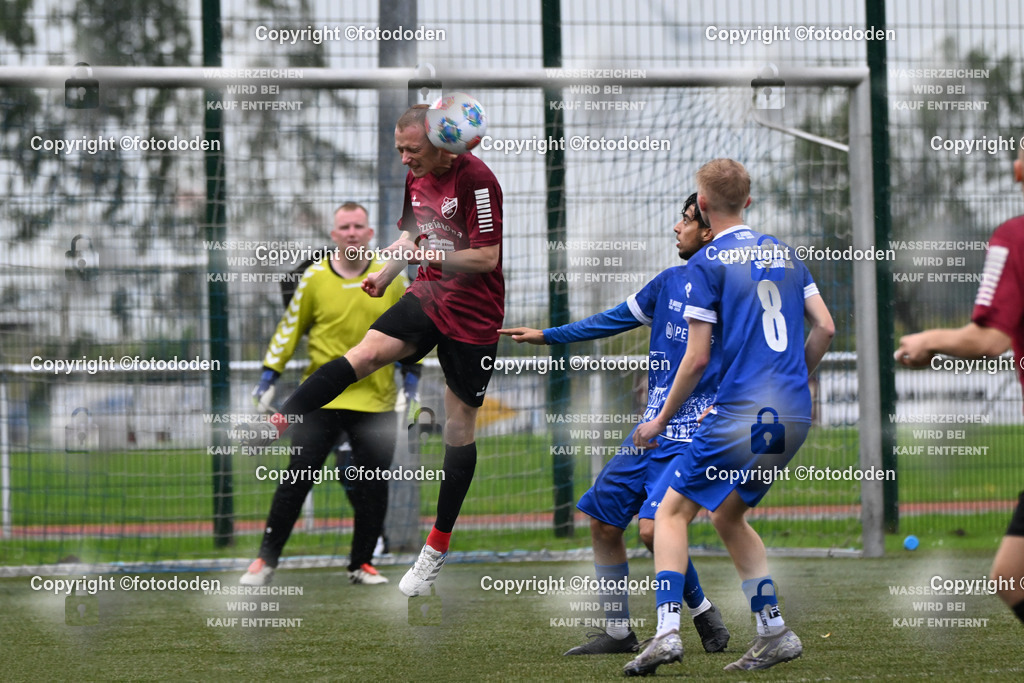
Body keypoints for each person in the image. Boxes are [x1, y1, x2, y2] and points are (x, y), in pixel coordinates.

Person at [243, 103, 504, 598]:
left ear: (440, 143)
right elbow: (411, 234)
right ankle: (276, 422)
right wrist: (385, 274)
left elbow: (487, 258)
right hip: (428, 295)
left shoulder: (478, 180)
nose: (404, 159)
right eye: (399, 150)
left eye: (411, 149)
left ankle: (435, 548)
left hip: (475, 315)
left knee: (458, 428)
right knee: (364, 353)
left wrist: (423, 253)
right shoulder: (416, 178)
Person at [624, 159, 834, 675]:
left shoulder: (706, 263)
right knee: (728, 515)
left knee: (670, 514)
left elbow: (696, 360)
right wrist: (793, 382)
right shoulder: (785, 253)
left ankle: (667, 632)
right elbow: (825, 328)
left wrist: (659, 421)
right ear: (749, 201)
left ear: (702, 204)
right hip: (792, 414)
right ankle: (773, 631)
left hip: (741, 411)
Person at [499, 193, 729, 655]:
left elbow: (752, 355)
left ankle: (700, 610)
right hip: (650, 432)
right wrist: (548, 336)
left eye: (685, 220)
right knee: (604, 521)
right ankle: (620, 633)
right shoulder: (668, 282)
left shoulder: (732, 287)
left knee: (653, 530)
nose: (676, 228)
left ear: (708, 230)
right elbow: (613, 320)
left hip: (693, 436)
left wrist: (725, 405)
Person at [240, 202, 417, 586]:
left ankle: (362, 563)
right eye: (344, 227)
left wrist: (412, 378)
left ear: (370, 233)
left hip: (377, 399)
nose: (352, 232)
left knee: (372, 484)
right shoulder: (315, 278)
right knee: (297, 479)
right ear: (334, 235)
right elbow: (289, 329)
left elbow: (413, 328)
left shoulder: (391, 276)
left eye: (358, 226)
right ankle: (265, 561)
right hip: (320, 400)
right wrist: (268, 376)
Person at [895, 139, 1024, 626]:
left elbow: (990, 340)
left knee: (1011, 577)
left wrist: (928, 339)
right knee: (1011, 574)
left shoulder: (1014, 237)